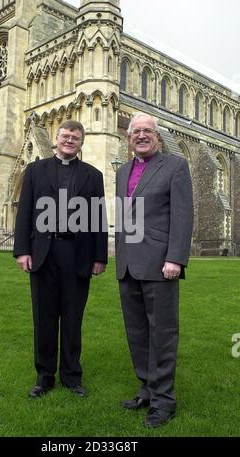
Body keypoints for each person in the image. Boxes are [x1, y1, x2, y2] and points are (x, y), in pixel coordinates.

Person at [14, 120, 108, 398]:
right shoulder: (34, 171)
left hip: (77, 255)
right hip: (44, 253)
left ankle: (71, 376)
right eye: (65, 136)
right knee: (43, 318)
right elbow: (25, 214)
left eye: (75, 138)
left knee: (72, 319)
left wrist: (100, 256)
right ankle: (44, 377)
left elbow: (98, 220)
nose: (69, 141)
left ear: (81, 143)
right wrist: (22, 250)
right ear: (56, 138)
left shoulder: (93, 175)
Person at [115, 112, 193, 427]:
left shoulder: (175, 166)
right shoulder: (122, 172)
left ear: (157, 136)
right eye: (137, 131)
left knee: (162, 333)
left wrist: (175, 258)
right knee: (137, 332)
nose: (142, 135)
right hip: (128, 265)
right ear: (129, 137)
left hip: (161, 264)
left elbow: (183, 214)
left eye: (148, 130)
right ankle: (147, 389)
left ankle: (164, 401)